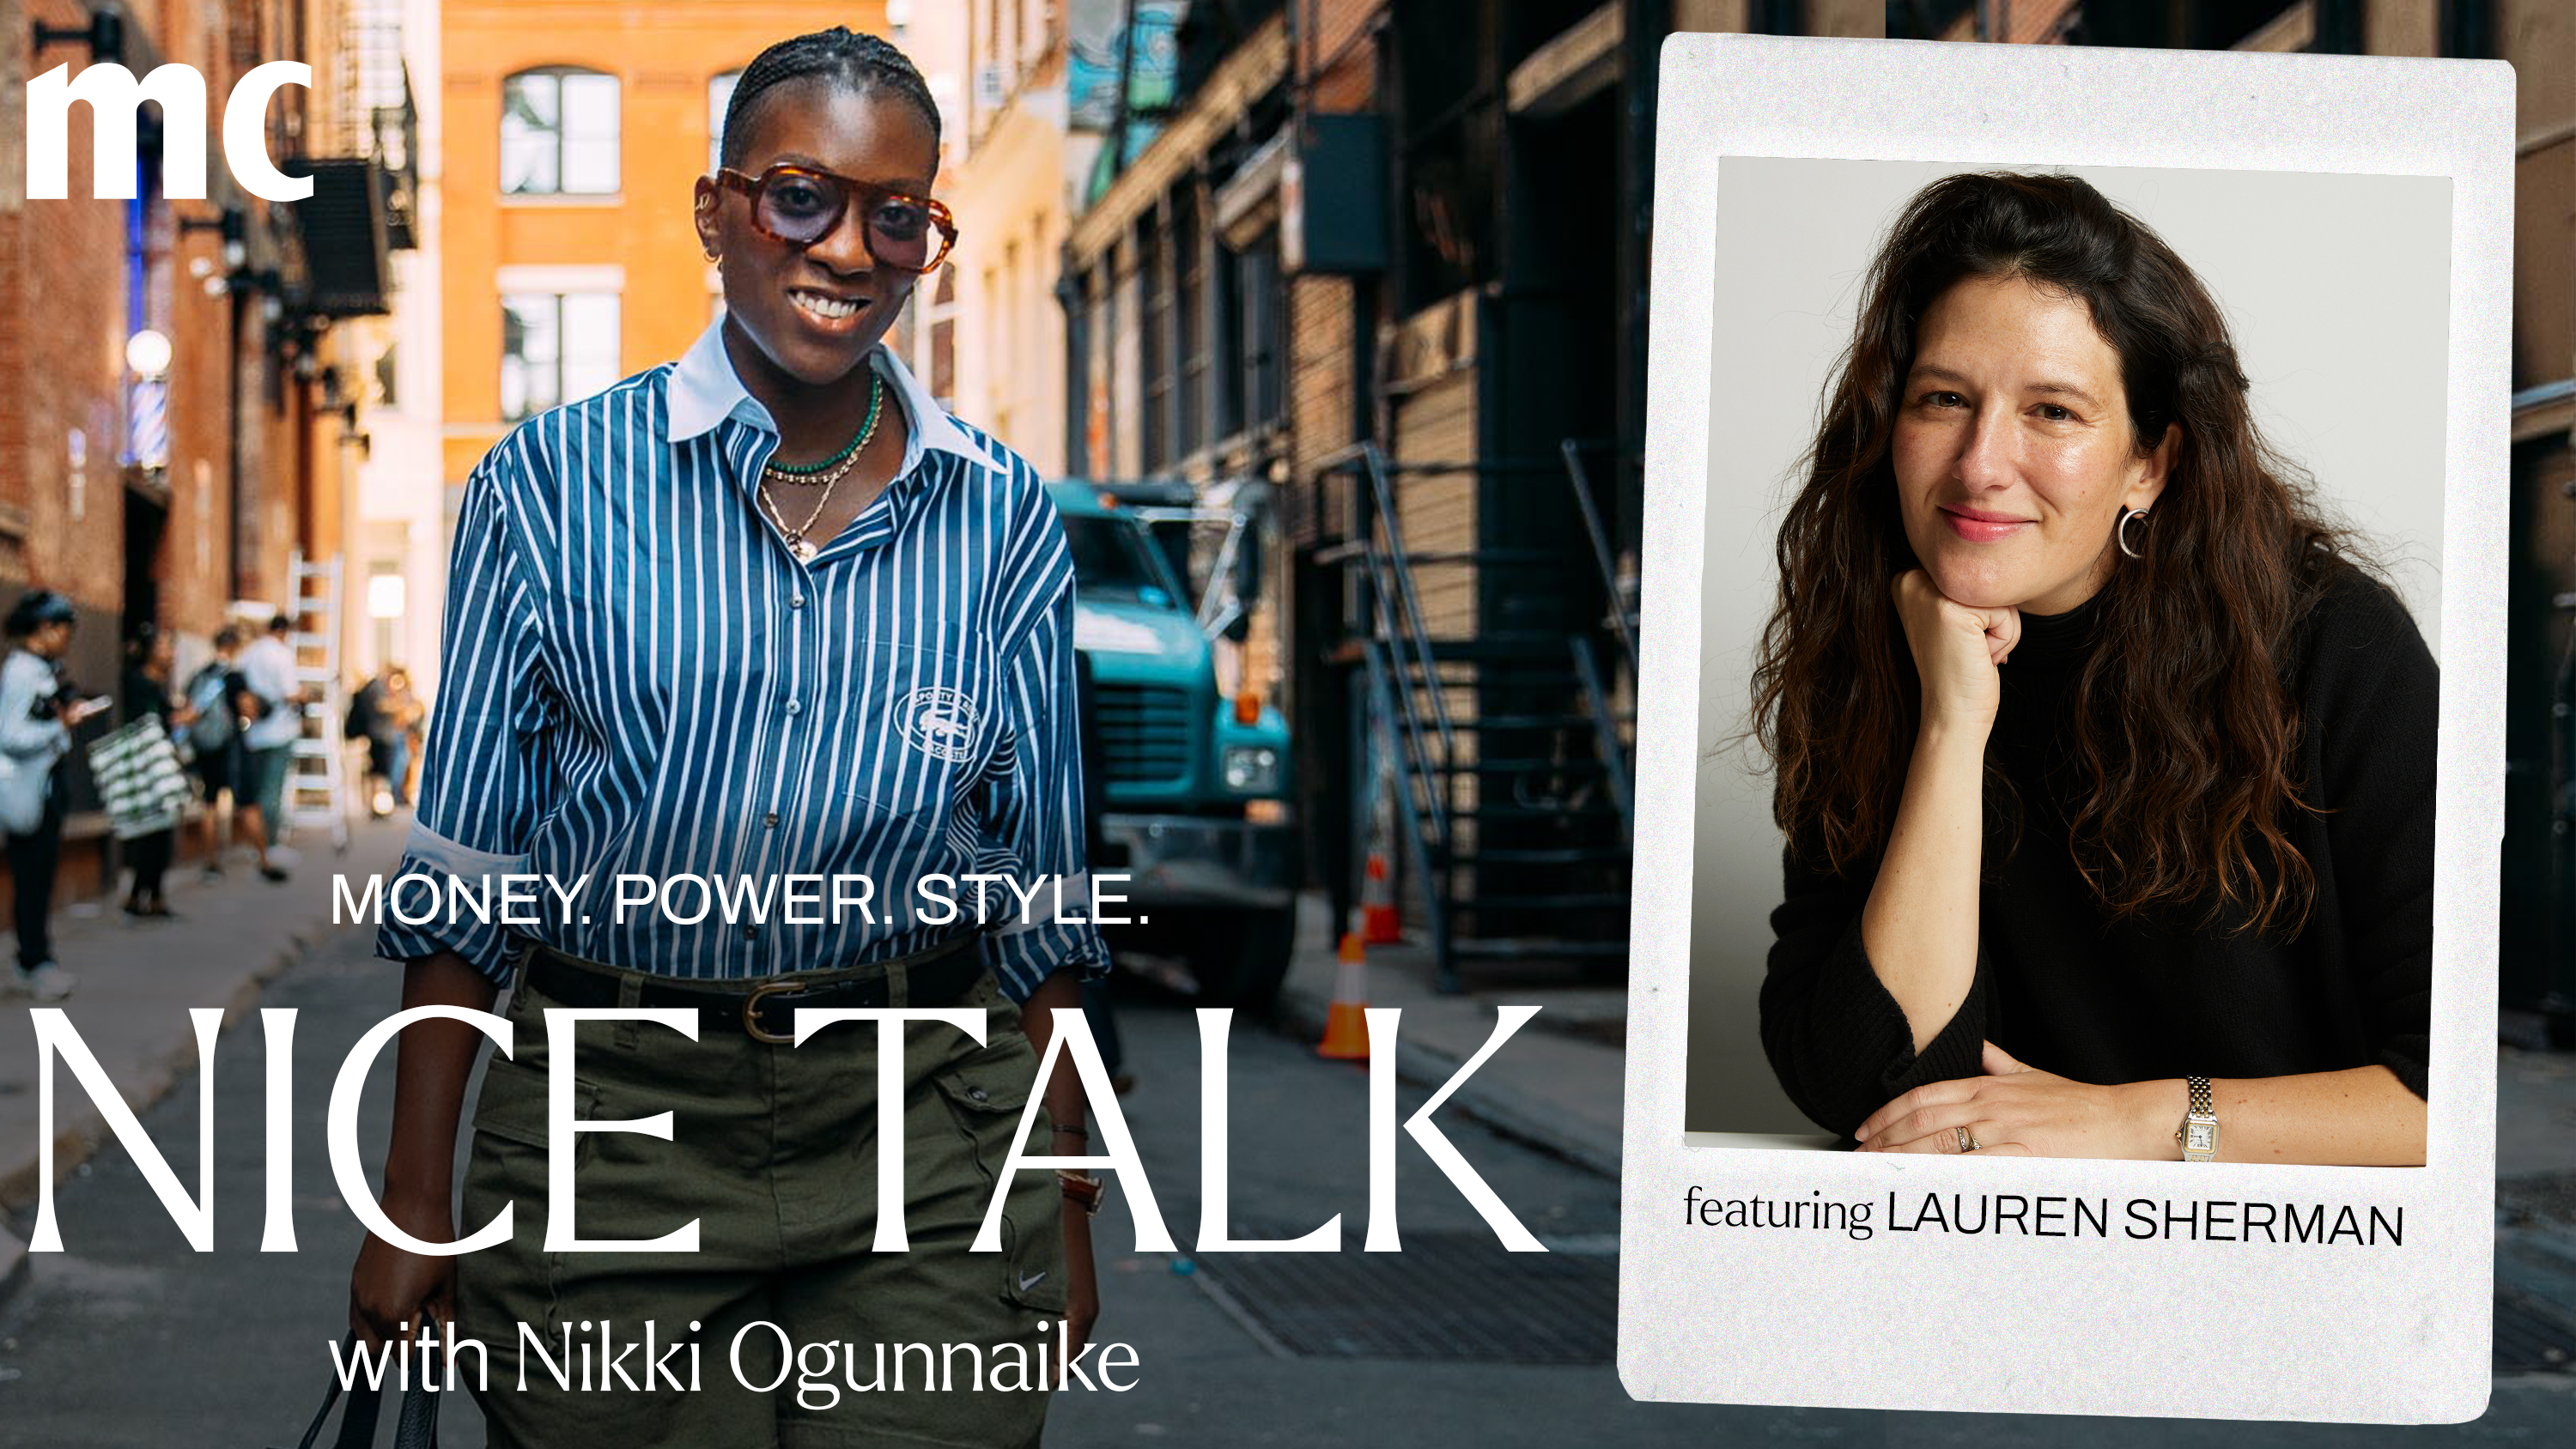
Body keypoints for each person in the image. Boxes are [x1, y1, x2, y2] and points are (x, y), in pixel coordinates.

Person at [349, 27, 1108, 1447]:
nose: (848, 247)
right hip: (612, 1126)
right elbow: (466, 881)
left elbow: (1042, 904)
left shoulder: (1003, 516)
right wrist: (414, 1197)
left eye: (900, 215)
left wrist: (1067, 1198)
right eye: (799, 196)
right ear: (717, 211)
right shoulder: (547, 486)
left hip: (927, 1131)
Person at [1750, 172, 2433, 1167]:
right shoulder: (1871, 652)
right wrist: (1952, 721)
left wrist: (2134, 1121)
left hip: (2281, 1283)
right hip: (1976, 1271)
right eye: (1944, 398)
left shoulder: (2340, 650)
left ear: (2150, 463)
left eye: (2053, 412)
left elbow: (2444, 1097)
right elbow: (1871, 1085)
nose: (1981, 462)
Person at [1, 591, 109, 999]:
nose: (68, 639)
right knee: (32, 878)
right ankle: (34, 961)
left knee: (39, 878)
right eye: (64, 630)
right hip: (29, 790)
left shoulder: (40, 670)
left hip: (44, 787)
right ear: (45, 629)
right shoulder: (22, 672)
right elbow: (9, 734)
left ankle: (35, 958)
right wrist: (58, 728)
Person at [117, 622, 197, 918]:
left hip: (161, 765)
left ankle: (150, 895)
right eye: (164, 647)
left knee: (159, 833)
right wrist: (179, 719)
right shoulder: (139, 684)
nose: (171, 653)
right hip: (146, 767)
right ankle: (143, 896)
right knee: (151, 832)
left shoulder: (157, 685)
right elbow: (146, 726)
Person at [235, 610, 304, 858]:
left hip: (254, 732)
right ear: (285, 631)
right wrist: (307, 694)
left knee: (256, 789)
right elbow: (289, 692)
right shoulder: (282, 655)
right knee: (272, 791)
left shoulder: (250, 653)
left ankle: (255, 843)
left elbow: (238, 683)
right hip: (279, 730)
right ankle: (269, 846)